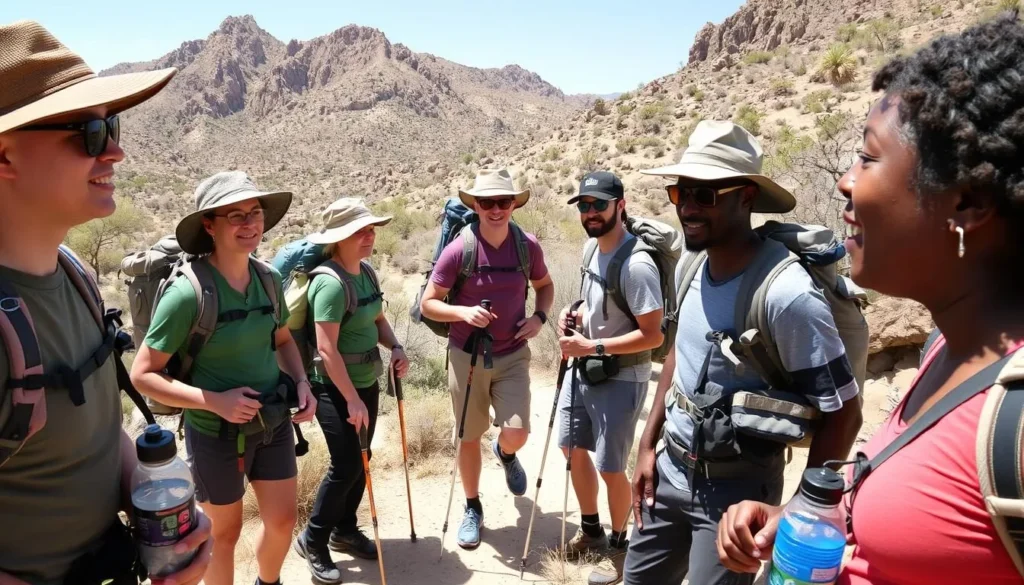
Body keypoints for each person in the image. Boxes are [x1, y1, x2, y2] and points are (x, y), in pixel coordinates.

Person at [718, 13, 1024, 585]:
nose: (845, 181)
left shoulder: (1016, 415)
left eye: (868, 156)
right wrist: (798, 523)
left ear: (968, 201)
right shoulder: (949, 350)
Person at [0, 20, 214, 585]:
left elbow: (95, 437)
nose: (115, 151)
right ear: (4, 156)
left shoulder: (76, 280)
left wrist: (165, 519)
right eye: (89, 134)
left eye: (111, 127)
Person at [624, 121, 863, 585]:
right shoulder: (691, 265)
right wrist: (647, 446)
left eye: (706, 195)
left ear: (747, 197)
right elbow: (679, 357)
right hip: (669, 471)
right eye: (682, 194)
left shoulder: (786, 295)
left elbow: (845, 412)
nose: (689, 208)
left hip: (735, 493)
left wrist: (798, 509)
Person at [130, 171, 316, 585]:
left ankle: (268, 582)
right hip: (214, 432)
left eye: (255, 213)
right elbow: (142, 374)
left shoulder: (269, 279)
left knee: (284, 521)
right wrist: (215, 401)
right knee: (223, 535)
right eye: (235, 215)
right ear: (210, 226)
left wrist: (302, 381)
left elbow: (283, 338)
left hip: (273, 423)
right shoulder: (188, 293)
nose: (249, 223)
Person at [419, 168, 554, 549]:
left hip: (512, 354)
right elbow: (428, 304)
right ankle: (473, 508)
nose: (496, 209)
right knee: (469, 436)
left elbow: (545, 286)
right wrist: (462, 313)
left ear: (514, 204)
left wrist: (539, 318)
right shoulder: (460, 249)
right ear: (475, 205)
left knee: (518, 432)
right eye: (487, 202)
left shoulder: (527, 246)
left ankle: (506, 453)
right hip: (467, 356)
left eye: (503, 202)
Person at [554, 171, 664, 585]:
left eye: (598, 204)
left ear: (621, 204)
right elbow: (595, 303)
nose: (590, 212)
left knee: (611, 466)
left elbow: (653, 335)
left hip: (621, 376)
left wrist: (593, 347)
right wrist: (575, 313)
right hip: (584, 369)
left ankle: (622, 547)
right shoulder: (589, 250)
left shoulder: (637, 265)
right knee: (570, 446)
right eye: (584, 205)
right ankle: (592, 530)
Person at [292, 198, 409, 584]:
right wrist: (352, 399)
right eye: (360, 230)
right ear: (338, 238)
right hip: (333, 388)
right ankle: (314, 538)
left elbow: (376, 317)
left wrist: (395, 346)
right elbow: (326, 350)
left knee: (362, 457)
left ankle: (344, 528)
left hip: (365, 383)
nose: (369, 235)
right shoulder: (328, 282)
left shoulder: (367, 273)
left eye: (371, 228)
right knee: (345, 465)